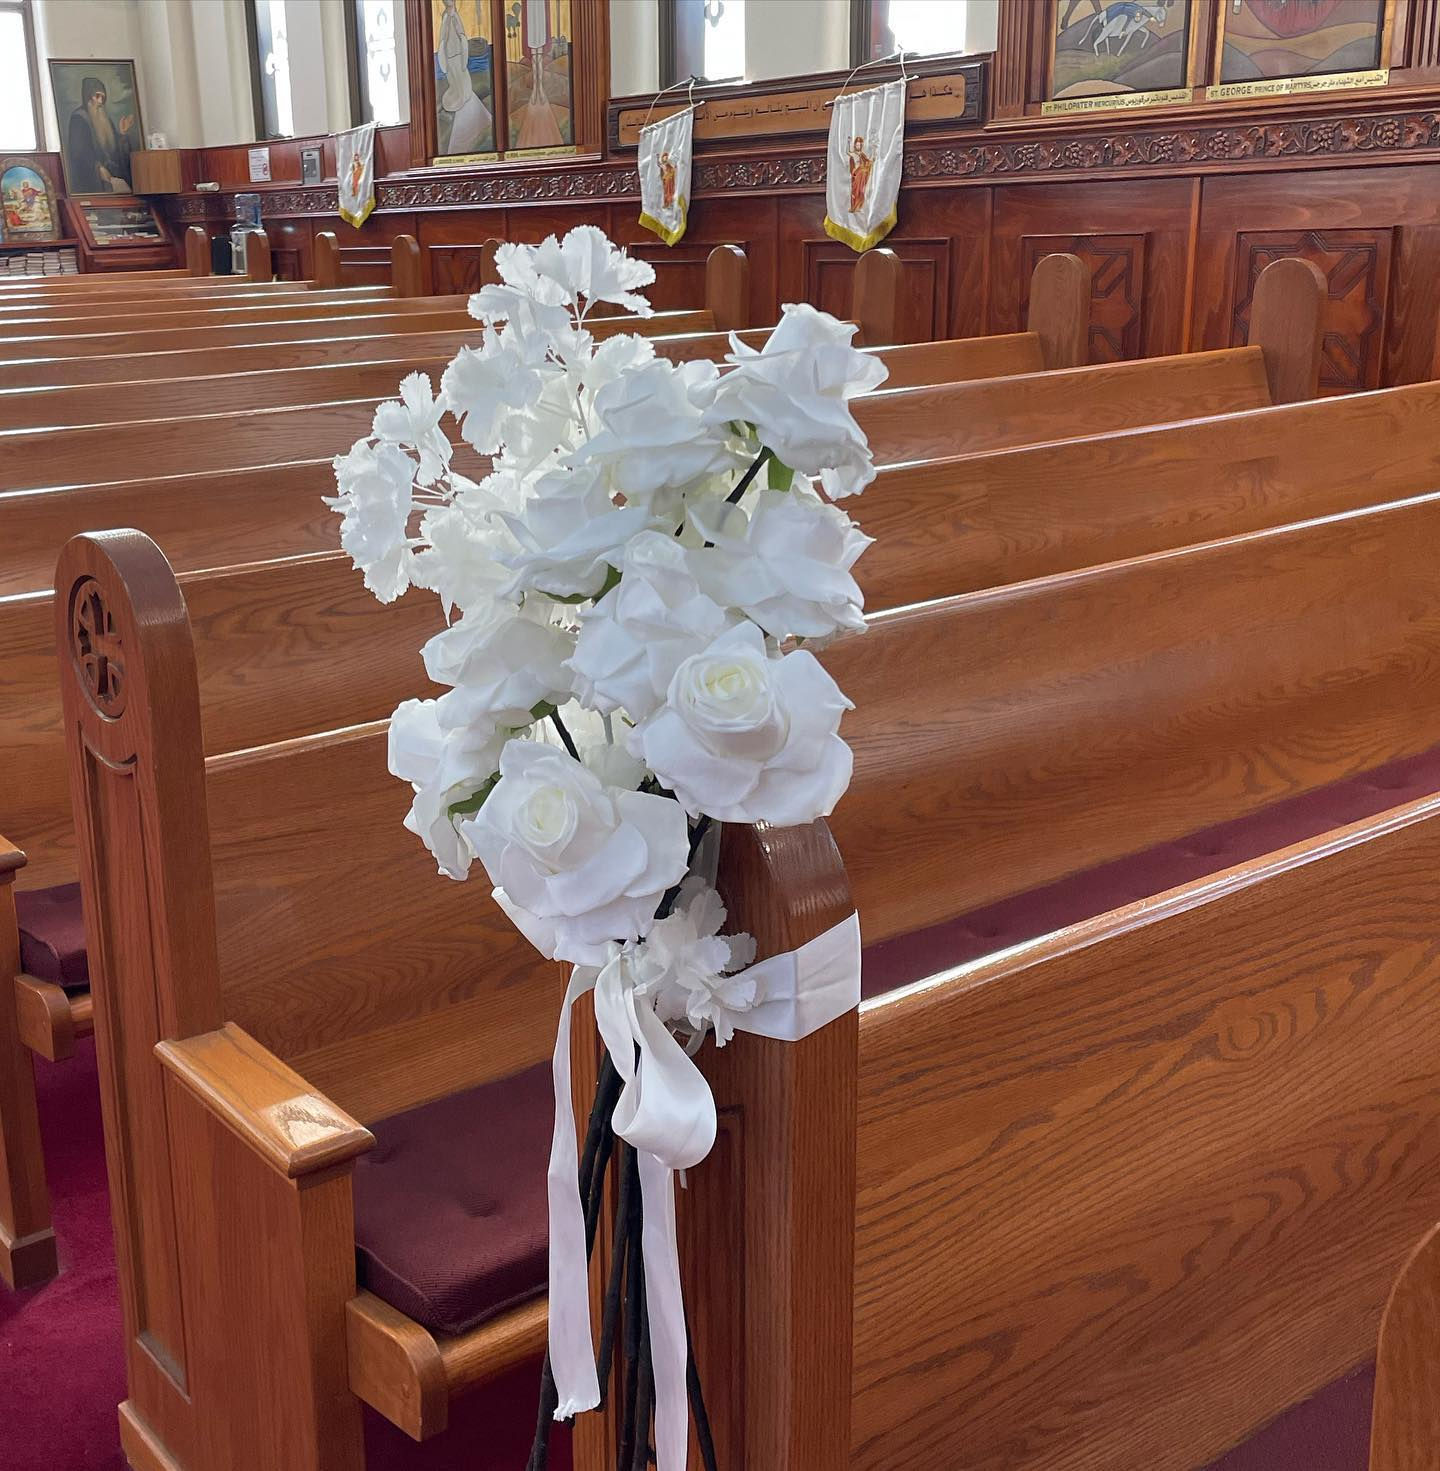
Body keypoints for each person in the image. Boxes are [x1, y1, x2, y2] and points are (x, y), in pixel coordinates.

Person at [66, 76, 135, 193]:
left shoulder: (105, 119)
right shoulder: (79, 118)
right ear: (88, 96)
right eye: (97, 96)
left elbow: (115, 152)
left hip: (112, 177)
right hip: (93, 179)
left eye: (102, 97)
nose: (100, 101)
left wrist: (123, 134)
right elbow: (79, 152)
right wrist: (97, 167)